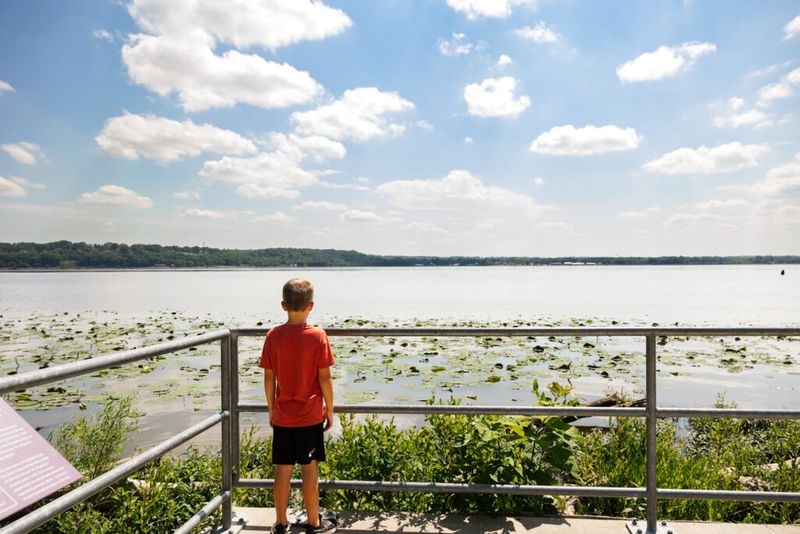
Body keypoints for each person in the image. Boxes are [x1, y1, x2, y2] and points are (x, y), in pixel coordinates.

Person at [259, 279, 336, 534]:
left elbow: (269, 378)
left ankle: (281, 523)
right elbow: (325, 377)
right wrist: (330, 410)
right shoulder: (317, 336)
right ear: (311, 305)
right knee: (309, 469)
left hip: (282, 416)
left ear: (283, 305)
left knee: (282, 469)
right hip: (310, 416)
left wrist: (272, 409)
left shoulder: (273, 335)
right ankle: (314, 522)